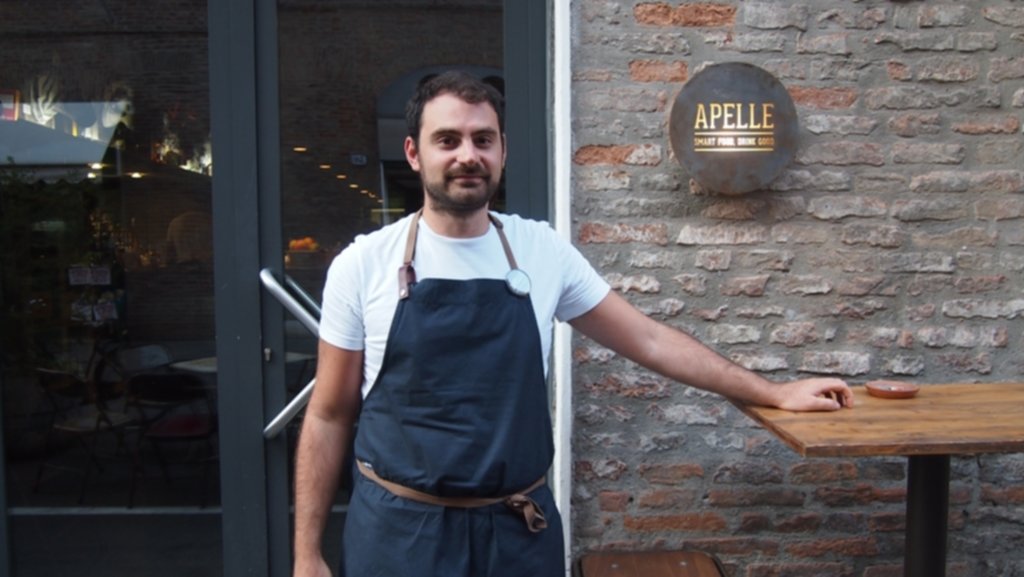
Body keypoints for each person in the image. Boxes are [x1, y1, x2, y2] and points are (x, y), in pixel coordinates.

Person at [292, 70, 854, 577]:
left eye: (483, 140)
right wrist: (306, 554)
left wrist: (773, 392)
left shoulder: (541, 252)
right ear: (414, 154)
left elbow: (651, 340)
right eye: (449, 140)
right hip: (398, 539)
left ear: (503, 150)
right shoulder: (364, 263)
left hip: (516, 535)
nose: (468, 155)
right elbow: (330, 413)